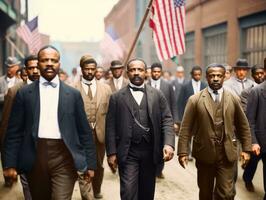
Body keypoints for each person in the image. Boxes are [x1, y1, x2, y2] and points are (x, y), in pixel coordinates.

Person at [2, 45, 96, 200]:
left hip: (64, 157)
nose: (50, 63)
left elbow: (84, 132)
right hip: (34, 157)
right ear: (38, 64)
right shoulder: (24, 94)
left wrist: (91, 164)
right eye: (45, 60)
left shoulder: (73, 95)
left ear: (59, 64)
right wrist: (9, 164)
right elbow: (14, 132)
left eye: (54, 60)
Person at [178, 63, 252, 200]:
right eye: (212, 76)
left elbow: (243, 125)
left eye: (219, 76)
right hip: (204, 153)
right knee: (205, 193)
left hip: (227, 153)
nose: (216, 79)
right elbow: (185, 128)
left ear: (224, 77)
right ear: (207, 77)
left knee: (227, 194)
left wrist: (246, 149)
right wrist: (182, 152)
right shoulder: (195, 100)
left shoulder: (233, 98)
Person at [105, 58, 175, 200]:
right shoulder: (117, 98)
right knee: (128, 192)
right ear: (127, 73)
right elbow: (110, 126)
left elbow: (167, 119)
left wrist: (168, 144)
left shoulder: (157, 95)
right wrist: (111, 152)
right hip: (128, 151)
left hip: (150, 152)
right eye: (132, 70)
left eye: (140, 70)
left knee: (147, 192)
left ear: (145, 73)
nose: (136, 73)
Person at [0, 55, 40, 200]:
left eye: (37, 67)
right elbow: (7, 126)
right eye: (31, 68)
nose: (35, 71)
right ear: (25, 70)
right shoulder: (15, 91)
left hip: (48, 150)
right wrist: (8, 161)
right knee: (28, 188)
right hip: (24, 150)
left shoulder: (52, 88)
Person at [74, 55, 112, 199]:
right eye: (86, 69)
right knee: (83, 165)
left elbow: (110, 114)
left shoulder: (106, 89)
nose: (90, 72)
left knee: (98, 165)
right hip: (79, 136)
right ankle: (87, 195)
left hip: (99, 134)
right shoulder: (73, 89)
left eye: (92, 69)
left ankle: (96, 189)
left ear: (96, 70)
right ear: (81, 70)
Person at [147, 62, 178, 179]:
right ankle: (150, 169)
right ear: (151, 72)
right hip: (149, 122)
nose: (156, 74)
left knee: (162, 145)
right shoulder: (146, 84)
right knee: (151, 146)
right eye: (154, 71)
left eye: (158, 72)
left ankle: (159, 170)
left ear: (161, 72)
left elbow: (173, 104)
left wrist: (175, 121)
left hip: (163, 122)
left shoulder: (167, 86)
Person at [241, 64, 265, 192]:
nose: (260, 75)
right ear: (253, 75)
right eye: (257, 73)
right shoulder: (248, 92)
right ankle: (247, 179)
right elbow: (247, 114)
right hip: (255, 132)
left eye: (262, 73)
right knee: (253, 161)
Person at [246, 58, 266, 199]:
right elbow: (250, 120)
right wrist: (253, 141)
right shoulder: (257, 92)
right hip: (261, 141)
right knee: (253, 162)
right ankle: (248, 179)